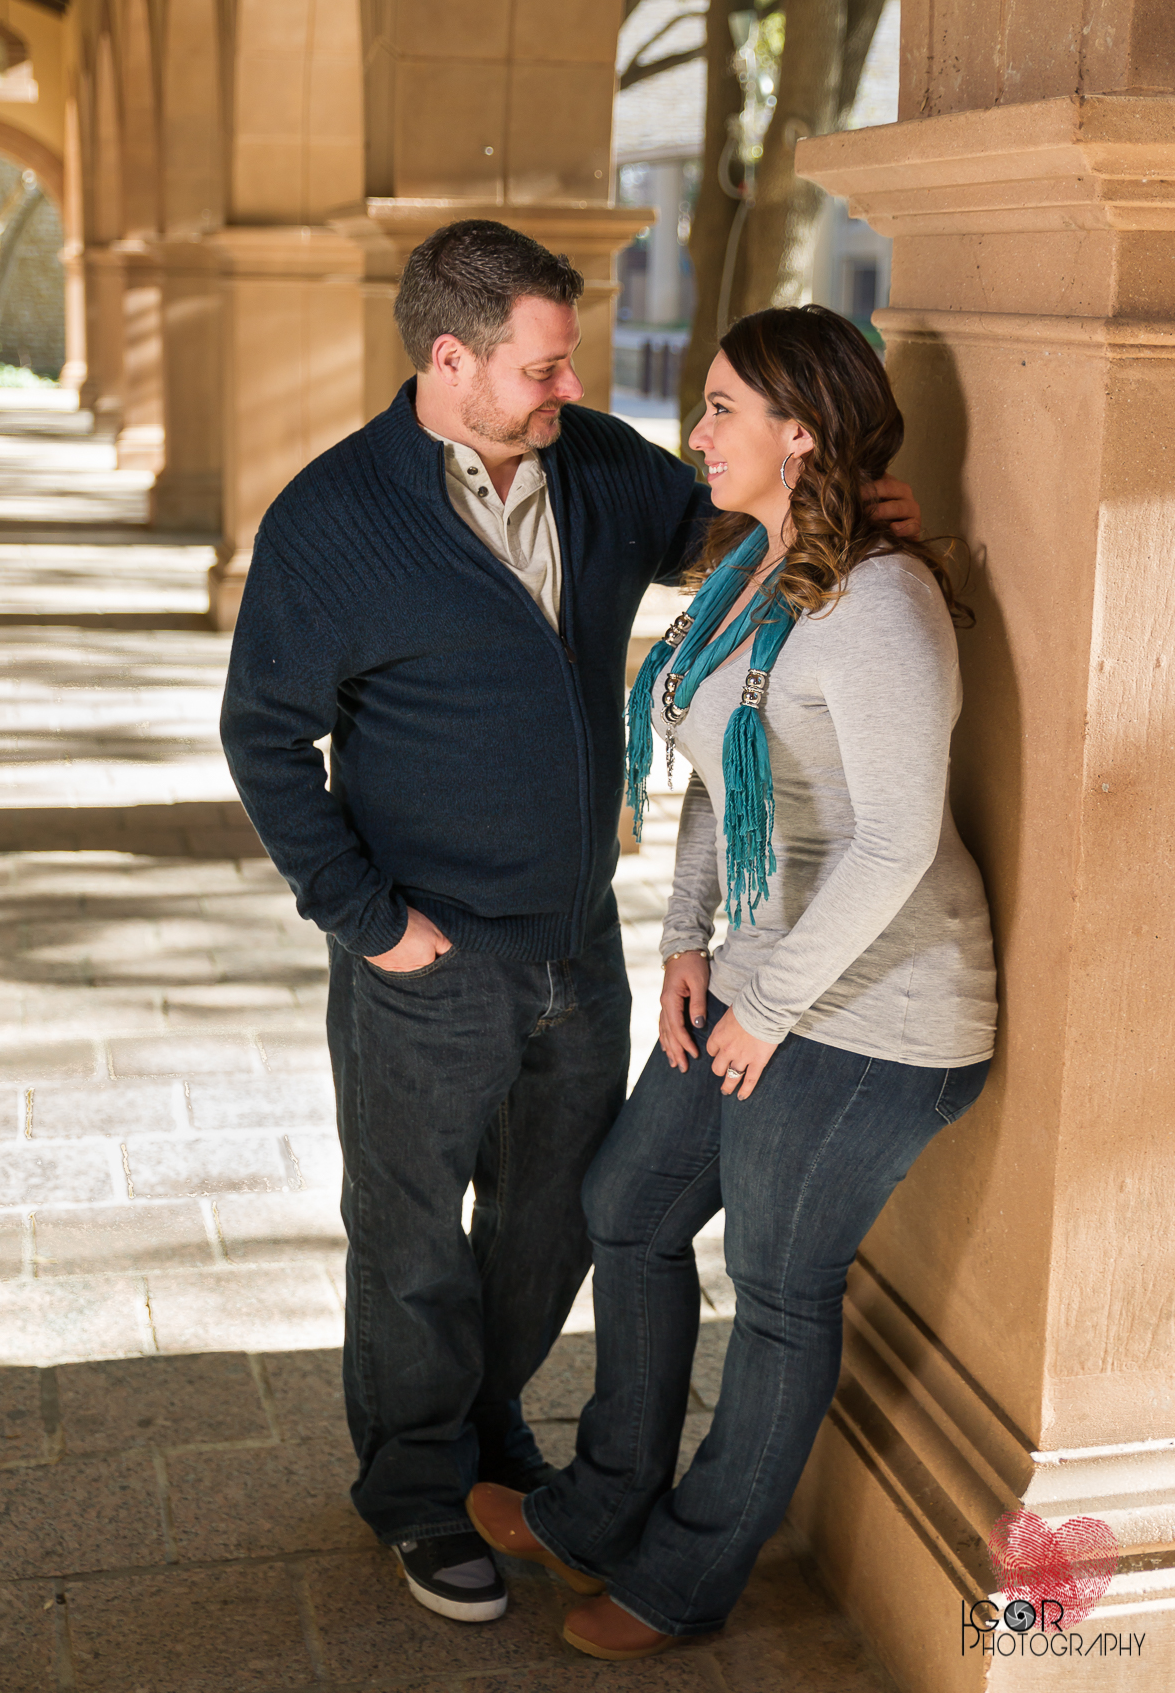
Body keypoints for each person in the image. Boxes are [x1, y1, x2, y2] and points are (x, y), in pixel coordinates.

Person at [220, 225, 921, 1625]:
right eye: (542, 367)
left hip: (578, 946)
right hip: (426, 960)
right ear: (449, 360)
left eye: (570, 360)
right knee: (414, 1241)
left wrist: (845, 508)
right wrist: (370, 924)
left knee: (556, 1225)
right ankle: (419, 1488)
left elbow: (727, 519)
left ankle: (484, 1434)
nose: (570, 386)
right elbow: (262, 737)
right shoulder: (330, 521)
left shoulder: (595, 463)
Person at [467, 303, 997, 1660]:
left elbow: (896, 839)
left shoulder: (881, 602)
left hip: (880, 1013)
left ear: (800, 433)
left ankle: (684, 1582)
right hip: (763, 971)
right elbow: (718, 773)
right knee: (628, 1206)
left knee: (776, 1288)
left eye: (719, 409)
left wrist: (770, 1005)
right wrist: (691, 942)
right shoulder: (754, 571)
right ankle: (600, 1505)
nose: (694, 434)